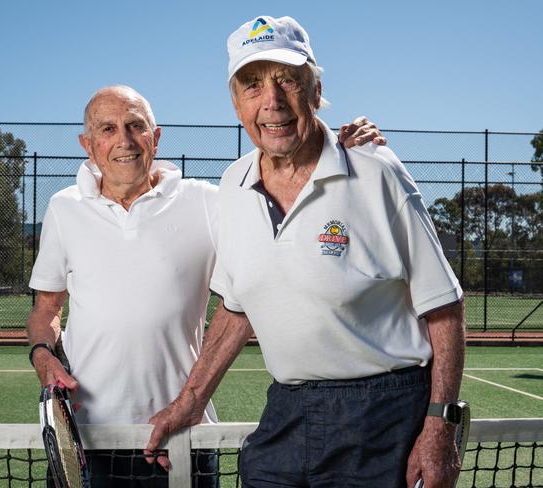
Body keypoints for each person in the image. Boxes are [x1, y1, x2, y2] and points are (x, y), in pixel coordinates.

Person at [147, 15, 466, 488]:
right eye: (252, 86)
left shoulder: (377, 172)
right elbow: (236, 309)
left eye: (288, 80)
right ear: (236, 103)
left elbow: (445, 310)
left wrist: (441, 427)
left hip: (386, 414)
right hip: (287, 409)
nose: (272, 102)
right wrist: (189, 401)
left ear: (315, 91)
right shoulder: (233, 184)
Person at [26, 85, 384, 487]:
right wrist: (43, 355)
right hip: (85, 440)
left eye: (135, 126)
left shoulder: (207, 201)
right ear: (87, 144)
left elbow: (283, 199)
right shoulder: (63, 208)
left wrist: (331, 150)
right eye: (107, 129)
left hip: (180, 439)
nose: (124, 141)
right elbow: (46, 309)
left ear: (156, 136)